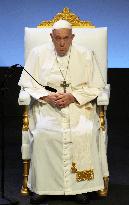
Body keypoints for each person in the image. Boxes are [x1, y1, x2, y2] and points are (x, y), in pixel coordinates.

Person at [18, 20, 109, 204]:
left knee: (82, 131)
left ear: (72, 38)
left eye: (65, 38)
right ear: (51, 37)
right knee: (43, 134)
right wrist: (46, 97)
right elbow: (27, 84)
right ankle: (43, 188)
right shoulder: (38, 54)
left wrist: (73, 96)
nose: (61, 43)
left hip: (78, 107)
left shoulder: (86, 54)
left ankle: (80, 188)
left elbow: (98, 86)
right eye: (57, 38)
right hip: (48, 107)